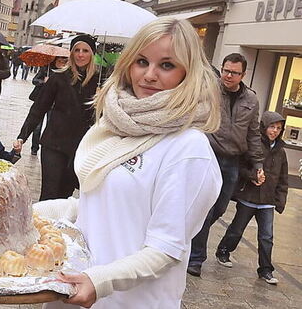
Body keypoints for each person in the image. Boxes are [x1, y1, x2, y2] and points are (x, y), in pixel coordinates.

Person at [34, 17, 222, 308]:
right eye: (142, 61)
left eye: (167, 65)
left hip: (125, 301)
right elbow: (94, 207)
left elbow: (165, 249)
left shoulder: (188, 148)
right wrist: (22, 212)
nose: (149, 75)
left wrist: (101, 280)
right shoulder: (115, 124)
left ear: (189, 73)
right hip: (71, 292)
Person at [187, 52, 264, 277]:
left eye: (234, 72)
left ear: (243, 74)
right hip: (208, 154)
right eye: (226, 70)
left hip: (233, 161)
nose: (228, 76)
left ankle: (190, 235)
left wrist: (258, 163)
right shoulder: (209, 91)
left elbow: (253, 134)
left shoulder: (251, 99)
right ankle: (196, 259)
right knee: (207, 206)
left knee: (219, 209)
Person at [14, 35, 99, 200]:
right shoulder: (58, 78)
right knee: (49, 194)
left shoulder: (100, 81)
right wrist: (22, 136)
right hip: (53, 143)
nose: (81, 55)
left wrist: (101, 101)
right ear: (72, 53)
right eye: (77, 50)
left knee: (65, 196)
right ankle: (40, 225)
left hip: (80, 148)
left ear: (92, 54)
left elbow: (102, 119)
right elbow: (38, 109)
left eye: (85, 51)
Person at [215, 111, 289, 285]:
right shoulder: (253, 147)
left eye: (279, 128)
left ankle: (265, 270)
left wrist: (280, 200)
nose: (275, 131)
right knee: (237, 229)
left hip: (268, 202)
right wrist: (251, 176)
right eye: (272, 126)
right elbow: (240, 168)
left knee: (266, 237)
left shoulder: (281, 152)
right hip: (248, 197)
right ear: (264, 127)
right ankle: (223, 250)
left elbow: (283, 179)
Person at [29, 56, 69, 155]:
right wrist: (44, 82)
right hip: (42, 101)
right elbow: (35, 80)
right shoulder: (46, 69)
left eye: (64, 62)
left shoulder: (65, 74)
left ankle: (47, 147)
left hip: (54, 104)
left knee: (50, 126)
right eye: (59, 61)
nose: (61, 64)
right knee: (37, 127)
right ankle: (34, 147)